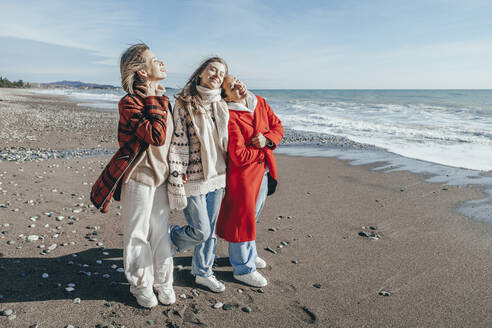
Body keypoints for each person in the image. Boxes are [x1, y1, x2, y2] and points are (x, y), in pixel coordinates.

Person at [92, 43, 175, 308]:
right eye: (155, 60)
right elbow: (155, 135)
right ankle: (140, 284)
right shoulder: (129, 102)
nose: (161, 63)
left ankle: (164, 282)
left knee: (161, 232)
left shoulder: (165, 101)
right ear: (140, 71)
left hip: (162, 177)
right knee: (137, 233)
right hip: (138, 176)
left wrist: (178, 171)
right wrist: (151, 97)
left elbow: (172, 143)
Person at [167, 57, 229, 292]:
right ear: (200, 73)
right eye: (212, 69)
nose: (217, 75)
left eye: (222, 74)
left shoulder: (222, 104)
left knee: (210, 230)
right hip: (192, 176)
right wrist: (178, 170)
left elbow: (249, 103)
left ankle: (203, 272)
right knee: (201, 230)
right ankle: (172, 237)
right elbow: (178, 141)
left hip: (218, 175)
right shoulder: (184, 103)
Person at [216, 75, 284, 287]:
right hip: (243, 176)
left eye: (237, 81)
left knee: (252, 215)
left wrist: (267, 139)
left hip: (263, 171)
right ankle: (242, 268)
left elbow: (278, 127)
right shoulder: (230, 116)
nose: (239, 86)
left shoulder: (260, 102)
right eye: (232, 87)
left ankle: (248, 254)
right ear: (226, 98)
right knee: (242, 219)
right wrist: (262, 149)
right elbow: (238, 155)